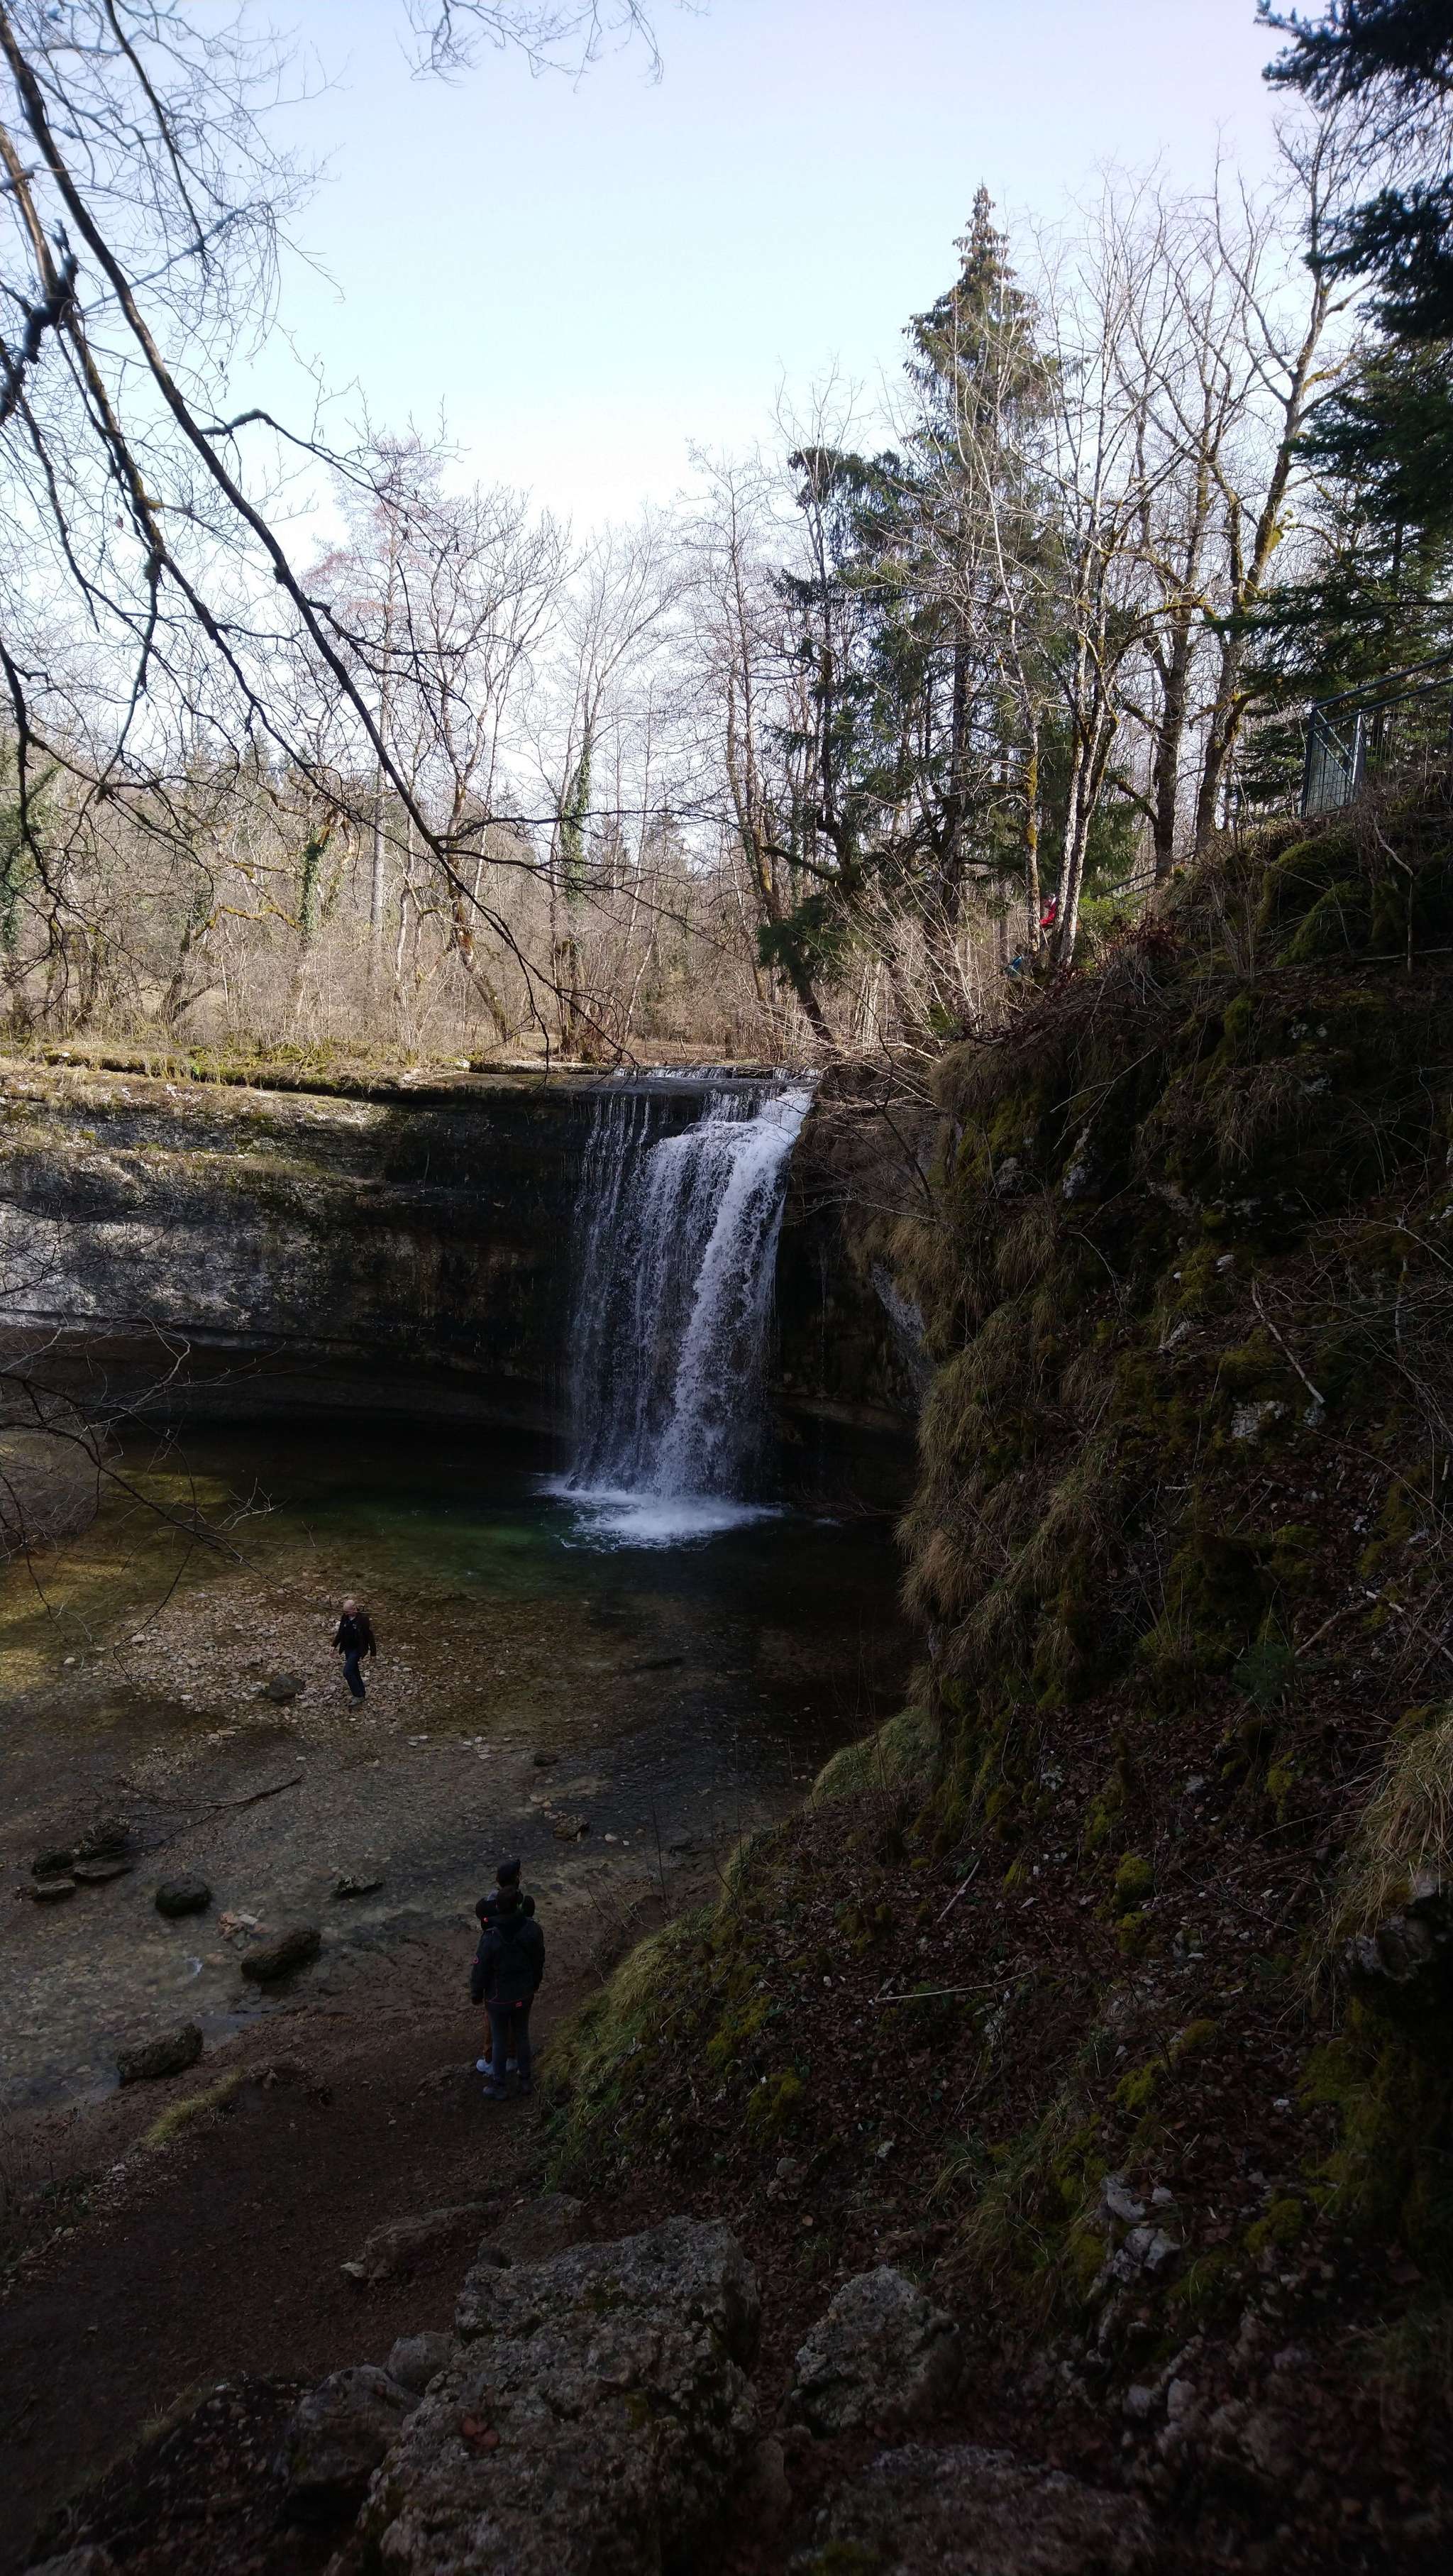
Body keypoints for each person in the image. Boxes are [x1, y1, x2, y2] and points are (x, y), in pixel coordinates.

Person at [470, 1876, 545, 2101]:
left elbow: (481, 1968)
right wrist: (535, 1982)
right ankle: (525, 2080)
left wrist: (476, 1993)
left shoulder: (491, 1936)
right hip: (525, 1992)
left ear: (498, 1907)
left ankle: (499, 2085)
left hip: (499, 1998)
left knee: (500, 2039)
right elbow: (538, 1959)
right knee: (522, 2035)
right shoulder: (532, 1929)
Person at [332, 1597, 377, 1702]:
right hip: (348, 1648)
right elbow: (341, 1633)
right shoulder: (345, 1617)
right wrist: (334, 1646)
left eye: (347, 1612)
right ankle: (361, 1692)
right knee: (354, 1670)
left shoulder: (363, 1620)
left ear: (354, 1609)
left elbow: (370, 1636)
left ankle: (358, 1695)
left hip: (357, 1649)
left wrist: (373, 1653)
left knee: (347, 1672)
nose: (346, 1614)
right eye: (345, 1612)